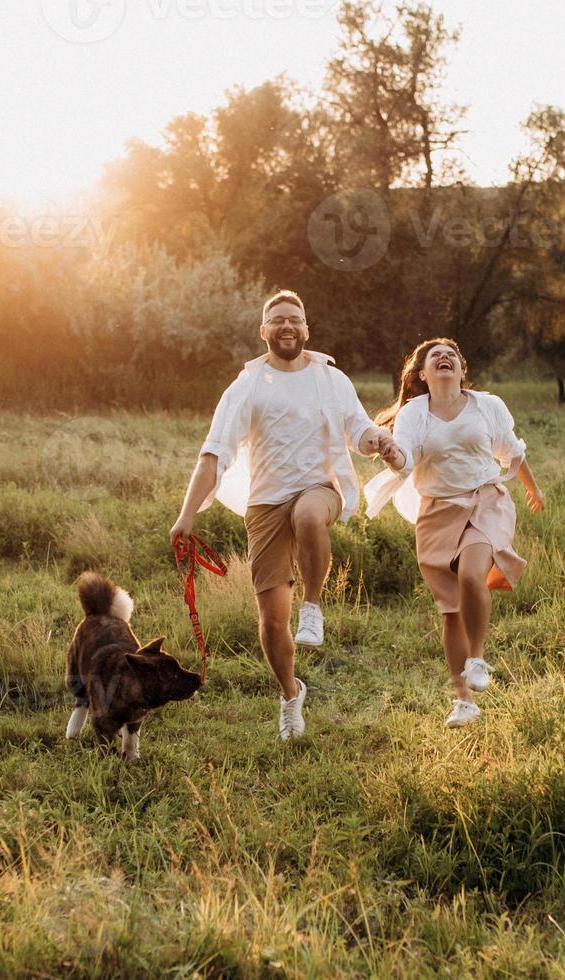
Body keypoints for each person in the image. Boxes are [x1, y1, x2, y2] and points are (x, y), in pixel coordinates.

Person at [168, 289, 396, 741]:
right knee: (272, 621)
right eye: (278, 320)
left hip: (319, 487)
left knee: (310, 516)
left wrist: (378, 440)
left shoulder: (330, 378)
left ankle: (312, 606)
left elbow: (358, 427)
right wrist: (186, 516)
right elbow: (213, 454)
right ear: (264, 330)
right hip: (266, 502)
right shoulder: (247, 385)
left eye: (294, 319)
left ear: (306, 328)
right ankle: (291, 695)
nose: (287, 326)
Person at [366, 338, 544, 728]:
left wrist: (533, 488)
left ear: (462, 370)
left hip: (485, 500)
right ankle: (463, 701)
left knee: (470, 573)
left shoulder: (487, 406)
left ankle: (477, 658)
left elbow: (512, 451)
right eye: (435, 356)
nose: (444, 358)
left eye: (451, 355)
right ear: (422, 374)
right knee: (450, 612)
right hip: (437, 512)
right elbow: (405, 457)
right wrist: (392, 453)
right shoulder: (414, 414)